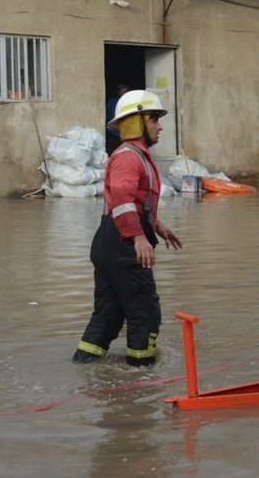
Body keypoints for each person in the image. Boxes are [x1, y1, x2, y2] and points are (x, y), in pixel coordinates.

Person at [74, 89, 183, 366]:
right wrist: (138, 239)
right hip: (122, 242)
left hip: (110, 241)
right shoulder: (129, 156)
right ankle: (141, 379)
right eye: (154, 120)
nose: (160, 126)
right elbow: (122, 199)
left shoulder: (134, 155)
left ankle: (84, 364)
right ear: (137, 122)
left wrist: (158, 227)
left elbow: (134, 203)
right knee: (145, 311)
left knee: (109, 313)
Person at [105, 83, 128, 155]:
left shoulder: (130, 102)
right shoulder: (112, 102)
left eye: (125, 91)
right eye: (120, 91)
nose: (122, 93)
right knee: (113, 153)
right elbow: (108, 115)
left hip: (126, 133)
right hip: (113, 133)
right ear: (117, 92)